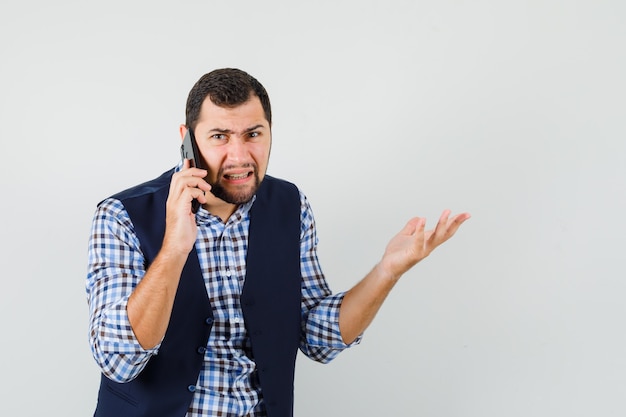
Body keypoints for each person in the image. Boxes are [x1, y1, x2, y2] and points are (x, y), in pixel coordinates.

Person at [85, 68, 470, 417]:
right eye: (219, 137)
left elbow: (320, 338)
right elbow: (119, 361)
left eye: (253, 134)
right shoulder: (121, 216)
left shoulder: (289, 206)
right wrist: (174, 249)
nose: (239, 156)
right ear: (187, 140)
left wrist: (387, 271)